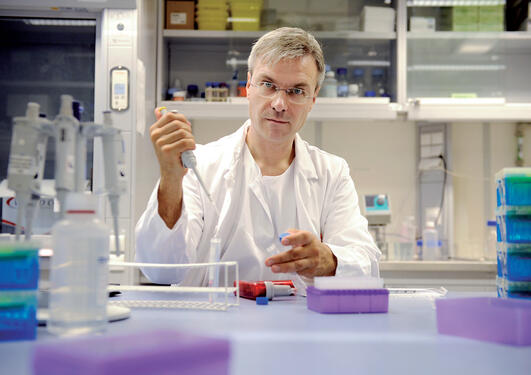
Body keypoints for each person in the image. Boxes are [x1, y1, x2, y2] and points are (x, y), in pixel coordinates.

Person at [135, 27, 380, 289]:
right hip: (213, 323)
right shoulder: (201, 165)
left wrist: (328, 261)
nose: (279, 104)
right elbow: (160, 271)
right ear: (248, 86)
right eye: (268, 85)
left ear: (313, 98)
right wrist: (171, 178)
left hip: (301, 327)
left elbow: (366, 264)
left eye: (296, 91)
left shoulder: (331, 172)